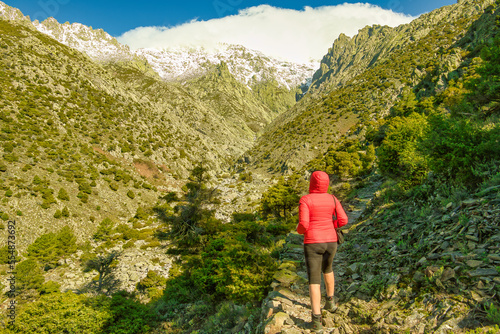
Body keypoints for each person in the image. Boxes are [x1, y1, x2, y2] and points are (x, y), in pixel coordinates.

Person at [296, 171, 348, 333]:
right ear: (327, 183)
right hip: (331, 241)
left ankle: (316, 320)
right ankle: (330, 302)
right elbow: (344, 220)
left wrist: (299, 231)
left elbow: (303, 224)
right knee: (328, 269)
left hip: (313, 242)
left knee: (314, 280)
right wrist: (331, 225)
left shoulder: (306, 199)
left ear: (311, 182)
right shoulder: (332, 198)